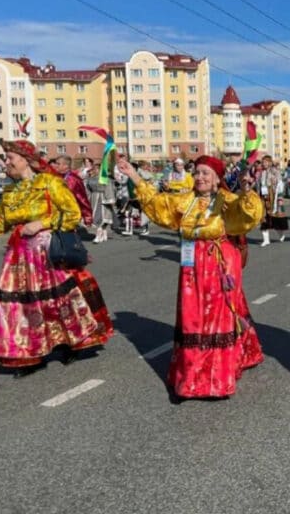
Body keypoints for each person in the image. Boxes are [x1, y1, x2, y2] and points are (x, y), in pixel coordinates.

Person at [0, 140, 113, 376]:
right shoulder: (10, 191)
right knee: (23, 307)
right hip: (18, 257)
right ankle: (31, 352)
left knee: (57, 302)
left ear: (26, 160)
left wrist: (42, 223)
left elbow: (73, 214)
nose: (6, 162)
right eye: (6, 158)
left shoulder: (49, 182)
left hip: (47, 252)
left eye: (10, 158)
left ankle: (69, 341)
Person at [117, 154, 264, 399]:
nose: (199, 177)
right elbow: (158, 204)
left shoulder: (226, 200)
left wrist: (247, 189)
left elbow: (248, 214)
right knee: (192, 315)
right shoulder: (186, 200)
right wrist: (133, 174)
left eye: (206, 173)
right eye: (197, 172)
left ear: (216, 179)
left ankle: (216, 378)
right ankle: (193, 376)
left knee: (217, 314)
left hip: (219, 262)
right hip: (191, 264)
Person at [53, 155, 93, 228]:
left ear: (66, 166)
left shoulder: (74, 179)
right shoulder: (55, 177)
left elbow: (82, 199)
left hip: (70, 215)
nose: (56, 166)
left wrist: (87, 217)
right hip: (55, 214)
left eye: (58, 164)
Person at [257, 156, 289, 245]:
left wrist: (280, 197)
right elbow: (259, 185)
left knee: (275, 218)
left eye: (265, 162)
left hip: (273, 197)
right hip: (263, 197)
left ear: (270, 162)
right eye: (263, 162)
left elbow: (280, 184)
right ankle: (266, 239)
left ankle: (280, 234)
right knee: (263, 217)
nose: (263, 163)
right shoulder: (261, 173)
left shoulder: (275, 171)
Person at [86, 161, 116, 243]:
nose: (95, 170)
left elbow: (109, 188)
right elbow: (88, 189)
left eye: (97, 169)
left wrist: (110, 199)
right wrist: (87, 198)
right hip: (93, 198)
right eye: (94, 169)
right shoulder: (91, 178)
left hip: (103, 199)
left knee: (100, 216)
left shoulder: (105, 178)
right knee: (96, 215)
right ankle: (103, 233)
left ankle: (98, 235)